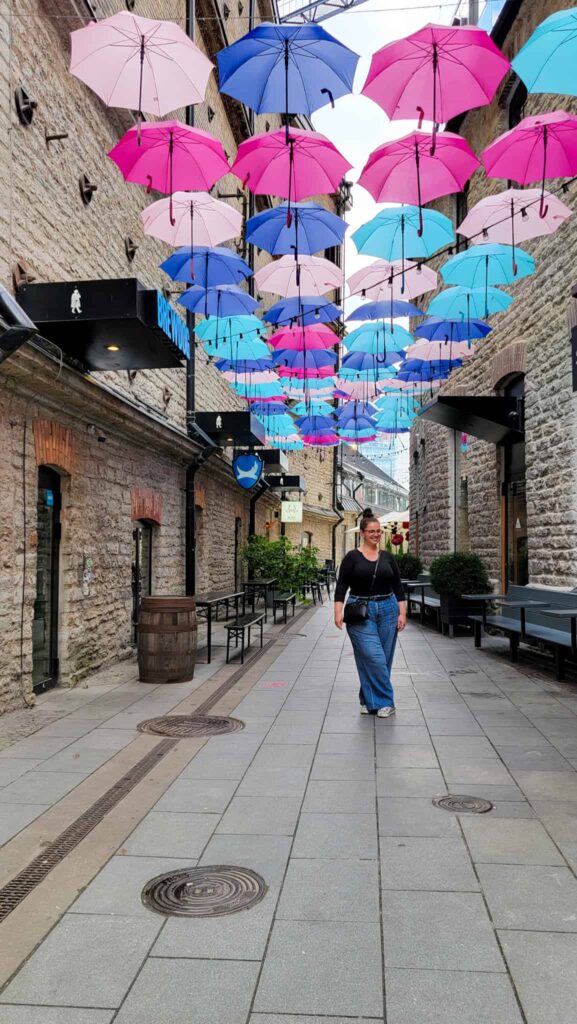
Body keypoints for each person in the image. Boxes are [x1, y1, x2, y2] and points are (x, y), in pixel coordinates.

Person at [334, 511, 407, 718]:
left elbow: (398, 586)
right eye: (371, 531)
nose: (376, 535)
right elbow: (341, 586)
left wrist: (402, 613)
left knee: (383, 658)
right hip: (360, 611)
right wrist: (337, 612)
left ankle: (368, 699)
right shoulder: (352, 557)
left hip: (388, 608)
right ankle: (386, 701)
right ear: (363, 534)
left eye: (378, 531)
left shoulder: (387, 557)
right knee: (373, 656)